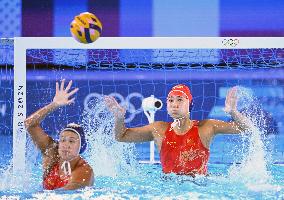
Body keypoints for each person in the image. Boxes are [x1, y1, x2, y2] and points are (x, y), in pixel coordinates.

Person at [105, 84, 253, 176]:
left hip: (199, 186)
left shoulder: (206, 127)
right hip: (168, 185)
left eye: (180, 100)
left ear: (190, 104)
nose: (174, 104)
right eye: (170, 100)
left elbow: (245, 128)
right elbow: (121, 136)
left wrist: (233, 112)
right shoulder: (159, 129)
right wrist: (119, 118)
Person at [24, 79, 94, 190]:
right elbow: (29, 124)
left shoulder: (84, 170)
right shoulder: (52, 152)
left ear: (81, 147)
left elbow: (65, 194)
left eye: (71, 141)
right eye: (62, 140)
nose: (66, 145)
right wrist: (54, 104)